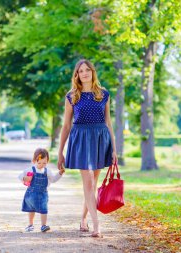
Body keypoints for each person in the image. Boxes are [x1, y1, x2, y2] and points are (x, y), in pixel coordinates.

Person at [57, 59, 118, 238]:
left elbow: (108, 122)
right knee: (89, 182)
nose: (84, 73)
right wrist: (60, 151)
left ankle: (83, 219)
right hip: (81, 139)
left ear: (92, 72)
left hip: (100, 139)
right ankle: (96, 224)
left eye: (87, 70)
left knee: (93, 184)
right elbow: (66, 125)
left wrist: (114, 149)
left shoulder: (104, 94)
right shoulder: (72, 96)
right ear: (76, 75)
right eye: (80, 71)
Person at [19, 148, 65, 232]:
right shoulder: (30, 169)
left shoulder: (47, 171)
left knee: (44, 210)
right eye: (39, 162)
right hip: (31, 194)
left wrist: (60, 173)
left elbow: (53, 179)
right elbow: (20, 176)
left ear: (47, 161)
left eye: (44, 163)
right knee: (31, 209)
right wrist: (25, 178)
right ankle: (30, 225)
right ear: (34, 161)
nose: (41, 165)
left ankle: (43, 225)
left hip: (43, 194)